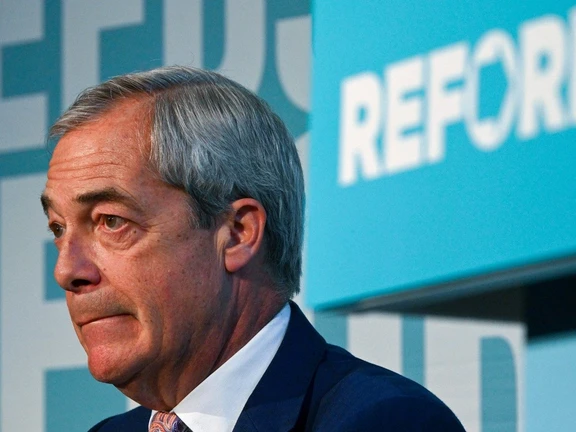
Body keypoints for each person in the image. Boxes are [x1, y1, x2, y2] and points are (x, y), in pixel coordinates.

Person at [41, 66, 465, 431]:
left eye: (111, 221)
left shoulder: (383, 420)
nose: (66, 270)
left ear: (238, 233)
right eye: (58, 228)